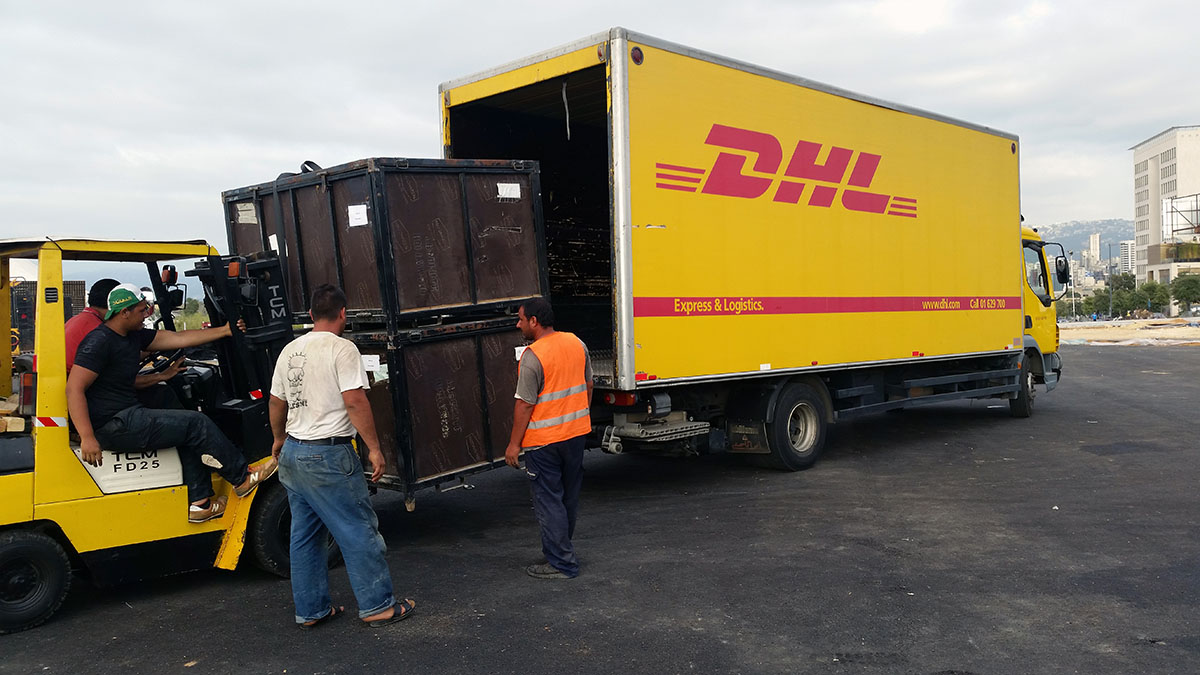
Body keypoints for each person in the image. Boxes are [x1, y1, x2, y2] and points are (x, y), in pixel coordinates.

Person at [268, 284, 415, 630]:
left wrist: (277, 438)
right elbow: (354, 400)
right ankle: (378, 605)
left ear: (310, 316)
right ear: (343, 314)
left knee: (304, 536)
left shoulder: (290, 350)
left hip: (293, 453)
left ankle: (311, 610)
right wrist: (375, 448)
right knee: (358, 530)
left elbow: (276, 401)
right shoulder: (343, 349)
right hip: (328, 456)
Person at [66, 284, 275, 523]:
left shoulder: (131, 335)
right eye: (142, 310)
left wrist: (225, 330)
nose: (146, 316)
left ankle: (200, 504)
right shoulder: (99, 342)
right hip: (115, 424)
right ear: (124, 312)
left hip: (125, 414)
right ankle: (242, 478)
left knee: (178, 418)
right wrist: (87, 437)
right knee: (197, 423)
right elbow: (74, 389)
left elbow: (178, 338)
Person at [504, 297, 593, 580]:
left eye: (520, 319)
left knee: (549, 500)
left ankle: (561, 563)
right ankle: (561, 549)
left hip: (544, 441)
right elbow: (588, 383)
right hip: (576, 435)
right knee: (567, 497)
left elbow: (525, 404)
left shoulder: (533, 355)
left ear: (534, 321)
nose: (518, 324)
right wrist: (579, 415)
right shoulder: (576, 343)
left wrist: (514, 444)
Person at [65, 279, 184, 402]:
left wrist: (152, 350)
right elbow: (120, 372)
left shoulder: (79, 320)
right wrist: (160, 374)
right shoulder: (99, 332)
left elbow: (117, 358)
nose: (144, 315)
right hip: (94, 396)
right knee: (163, 395)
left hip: (89, 385)